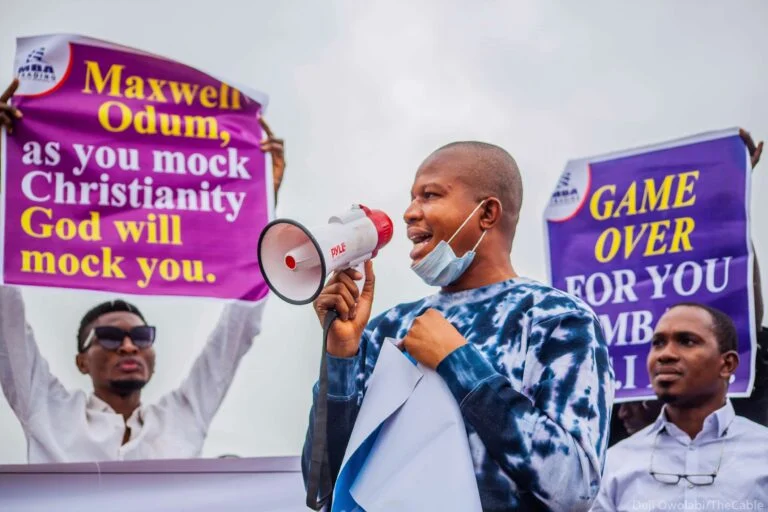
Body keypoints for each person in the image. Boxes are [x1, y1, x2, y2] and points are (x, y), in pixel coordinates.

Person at [302, 141, 615, 511]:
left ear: (487, 213)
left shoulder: (555, 318)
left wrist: (458, 361)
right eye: (412, 198)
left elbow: (573, 487)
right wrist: (340, 358)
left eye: (430, 195)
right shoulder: (387, 328)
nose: (409, 213)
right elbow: (321, 485)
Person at [0, 79, 286, 463]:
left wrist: (260, 204)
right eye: (109, 337)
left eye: (141, 335)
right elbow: (5, 314)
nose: (130, 345)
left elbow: (238, 326)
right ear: (81, 362)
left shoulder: (183, 417)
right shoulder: (48, 410)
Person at [592, 303, 768, 511]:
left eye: (686, 341)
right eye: (658, 343)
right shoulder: (614, 463)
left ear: (727, 364)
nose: (665, 354)